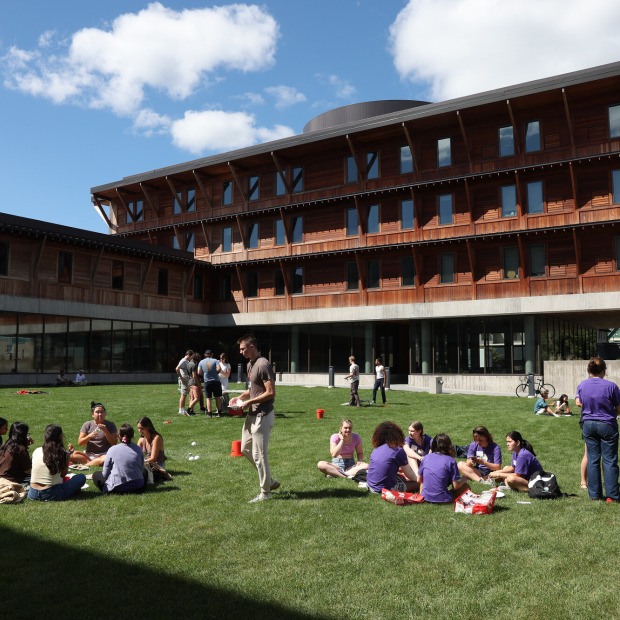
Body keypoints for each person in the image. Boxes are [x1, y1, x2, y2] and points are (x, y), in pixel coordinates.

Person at [230, 334, 280, 503]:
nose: (241, 351)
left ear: (252, 347)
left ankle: (265, 493)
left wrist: (249, 402)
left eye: (243, 348)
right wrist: (239, 397)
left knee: (260, 455)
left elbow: (271, 392)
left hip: (263, 415)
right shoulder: (250, 364)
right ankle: (270, 481)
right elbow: (253, 389)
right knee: (245, 448)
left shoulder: (263, 364)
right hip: (252, 413)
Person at [575, 356, 620, 502]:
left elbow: (579, 403)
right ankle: (612, 495)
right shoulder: (611, 386)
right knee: (609, 460)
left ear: (589, 370)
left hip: (588, 425)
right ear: (604, 370)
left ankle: (594, 495)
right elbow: (618, 408)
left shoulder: (582, 385)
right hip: (607, 424)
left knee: (593, 459)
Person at [28, 424, 86, 501]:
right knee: (81, 477)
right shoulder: (62, 453)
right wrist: (68, 457)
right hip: (51, 493)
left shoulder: (37, 450)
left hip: (32, 493)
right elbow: (63, 474)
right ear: (60, 436)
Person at [366, 421, 419, 494]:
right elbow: (410, 475)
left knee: (402, 478)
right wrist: (421, 480)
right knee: (417, 484)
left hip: (370, 485)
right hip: (384, 489)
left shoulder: (377, 448)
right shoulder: (398, 451)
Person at [93, 424, 147, 494]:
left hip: (117, 487)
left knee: (96, 475)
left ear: (118, 436)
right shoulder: (138, 449)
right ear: (132, 436)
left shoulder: (112, 449)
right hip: (138, 486)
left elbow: (105, 473)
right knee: (145, 471)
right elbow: (141, 468)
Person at [418, 433, 468, 503]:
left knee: (423, 481)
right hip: (444, 499)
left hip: (426, 497)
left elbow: (419, 480)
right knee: (466, 487)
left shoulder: (426, 458)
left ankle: (422, 496)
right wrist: (464, 479)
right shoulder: (451, 460)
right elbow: (456, 486)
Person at [71, 401, 118, 467]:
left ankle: (88, 464)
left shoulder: (110, 425)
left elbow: (114, 443)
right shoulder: (87, 424)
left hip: (104, 454)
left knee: (106, 459)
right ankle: (94, 462)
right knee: (73, 454)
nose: (100, 414)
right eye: (97, 412)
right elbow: (80, 443)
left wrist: (106, 431)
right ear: (92, 414)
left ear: (105, 413)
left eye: (102, 412)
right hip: (89, 455)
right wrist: (89, 436)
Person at [137, 416, 172, 481]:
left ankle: (163, 475)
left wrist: (141, 462)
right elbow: (135, 453)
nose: (139, 431)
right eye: (138, 428)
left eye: (142, 428)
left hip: (157, 464)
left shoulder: (156, 438)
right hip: (147, 462)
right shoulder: (141, 439)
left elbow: (153, 458)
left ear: (148, 428)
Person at [198, 349, 223, 416]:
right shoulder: (215, 360)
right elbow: (219, 369)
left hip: (207, 381)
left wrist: (204, 374)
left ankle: (209, 413)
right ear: (211, 354)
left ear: (205, 355)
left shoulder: (201, 362)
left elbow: (199, 372)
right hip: (215, 381)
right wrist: (215, 373)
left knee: (208, 398)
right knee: (217, 397)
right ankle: (219, 413)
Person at [176, 350, 194, 415]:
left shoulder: (186, 361)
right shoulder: (183, 361)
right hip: (184, 379)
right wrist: (181, 378)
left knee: (185, 395)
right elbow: (177, 368)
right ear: (189, 355)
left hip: (186, 379)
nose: (192, 358)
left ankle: (182, 408)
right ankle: (180, 409)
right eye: (191, 356)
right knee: (183, 395)